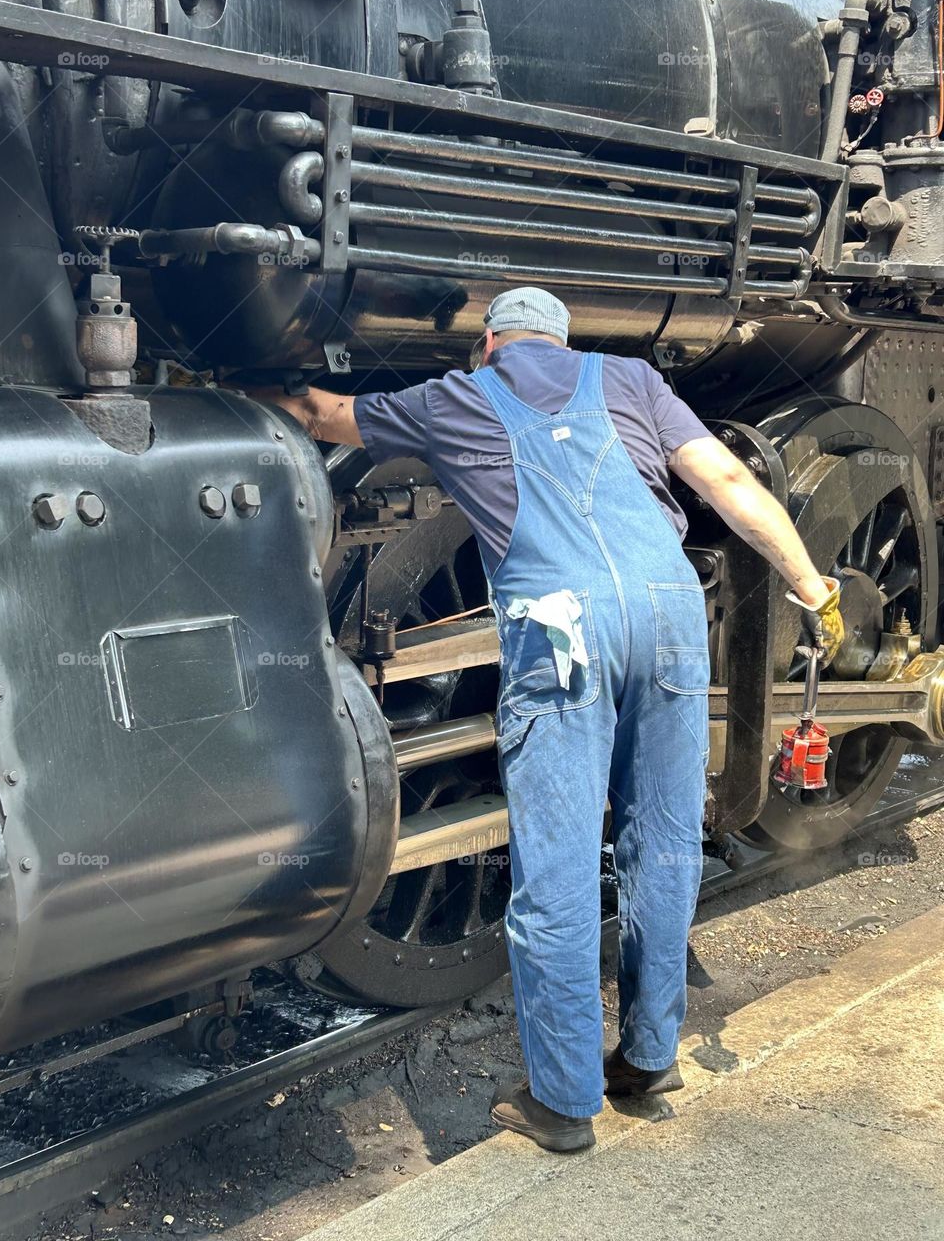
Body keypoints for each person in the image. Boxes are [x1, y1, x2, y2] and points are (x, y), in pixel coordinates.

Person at [260, 287, 843, 1153]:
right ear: (565, 341)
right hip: (670, 613)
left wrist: (243, 393)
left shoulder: (455, 397)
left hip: (564, 630)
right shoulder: (635, 379)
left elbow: (321, 414)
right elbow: (723, 479)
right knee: (667, 840)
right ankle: (649, 1059)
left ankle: (564, 1103)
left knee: (559, 869)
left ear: (488, 341)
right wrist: (809, 584)